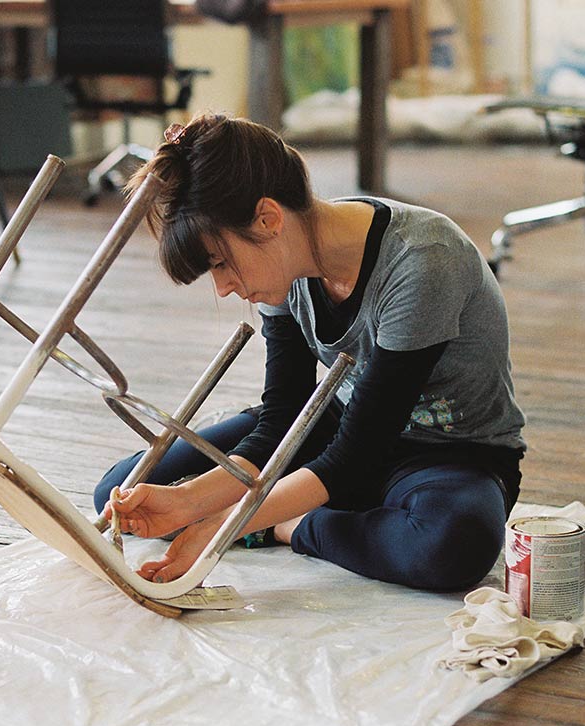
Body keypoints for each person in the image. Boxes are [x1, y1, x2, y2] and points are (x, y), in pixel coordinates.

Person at [95, 112, 525, 592]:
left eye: (221, 263)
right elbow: (283, 419)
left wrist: (225, 522)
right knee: (125, 494)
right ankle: (308, 512)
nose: (222, 287)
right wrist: (188, 502)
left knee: (450, 547)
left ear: (268, 219)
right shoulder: (281, 272)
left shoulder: (422, 260)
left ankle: (290, 524)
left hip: (448, 453)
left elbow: (358, 453)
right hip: (334, 426)